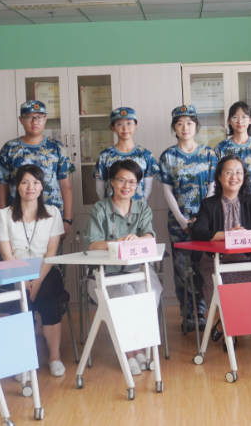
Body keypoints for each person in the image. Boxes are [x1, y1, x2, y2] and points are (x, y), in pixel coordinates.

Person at [85, 159, 163, 375]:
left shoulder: (142, 208)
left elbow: (149, 236)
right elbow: (92, 244)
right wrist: (115, 243)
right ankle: (130, 352)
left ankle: (138, 348)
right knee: (125, 294)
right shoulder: (100, 208)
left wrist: (138, 239)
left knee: (149, 292)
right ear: (112, 181)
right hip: (105, 275)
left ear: (137, 185)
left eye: (132, 182)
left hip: (137, 271)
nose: (126, 186)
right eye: (121, 180)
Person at [0, 164, 70, 377]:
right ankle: (23, 360)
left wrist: (36, 280)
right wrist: (24, 279)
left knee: (48, 299)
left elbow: (52, 252)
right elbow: (6, 255)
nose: (31, 187)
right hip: (14, 271)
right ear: (17, 187)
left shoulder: (52, 213)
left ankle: (54, 357)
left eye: (36, 182)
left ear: (42, 187)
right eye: (25, 182)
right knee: (20, 302)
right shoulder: (4, 215)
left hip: (45, 270)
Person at [192, 155, 251, 341]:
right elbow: (198, 231)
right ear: (219, 177)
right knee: (221, 293)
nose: (234, 177)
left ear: (244, 177)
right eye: (228, 172)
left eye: (238, 172)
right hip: (216, 262)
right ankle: (232, 330)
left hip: (248, 260)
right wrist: (227, 235)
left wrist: (248, 234)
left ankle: (223, 326)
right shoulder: (209, 204)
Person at [158, 105, 216, 332]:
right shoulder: (168, 156)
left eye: (190, 123)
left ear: (196, 126)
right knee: (181, 270)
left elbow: (212, 188)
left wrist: (201, 219)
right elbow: (167, 191)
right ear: (174, 127)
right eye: (180, 123)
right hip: (178, 223)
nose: (185, 127)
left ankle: (202, 311)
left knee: (203, 266)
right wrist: (182, 221)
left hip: (205, 223)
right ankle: (187, 313)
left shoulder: (209, 154)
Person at [0, 100, 74, 250]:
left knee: (52, 260)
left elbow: (65, 185)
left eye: (39, 117)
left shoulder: (57, 148)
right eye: (29, 117)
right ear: (21, 120)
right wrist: (2, 219)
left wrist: (67, 220)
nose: (34, 122)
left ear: (45, 119)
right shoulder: (10, 148)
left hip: (51, 218)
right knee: (18, 260)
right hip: (17, 218)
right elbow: (2, 185)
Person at [213, 101, 251, 215]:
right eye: (235, 117)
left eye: (244, 117)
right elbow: (216, 180)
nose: (240, 121)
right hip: (228, 206)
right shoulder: (221, 148)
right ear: (229, 121)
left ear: (250, 120)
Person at [94, 107, 160, 201]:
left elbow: (148, 187)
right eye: (119, 124)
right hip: (112, 208)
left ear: (136, 125)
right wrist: (106, 206)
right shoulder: (105, 155)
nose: (125, 128)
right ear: (112, 127)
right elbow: (100, 188)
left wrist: (139, 205)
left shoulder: (145, 154)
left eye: (129, 123)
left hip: (137, 207)